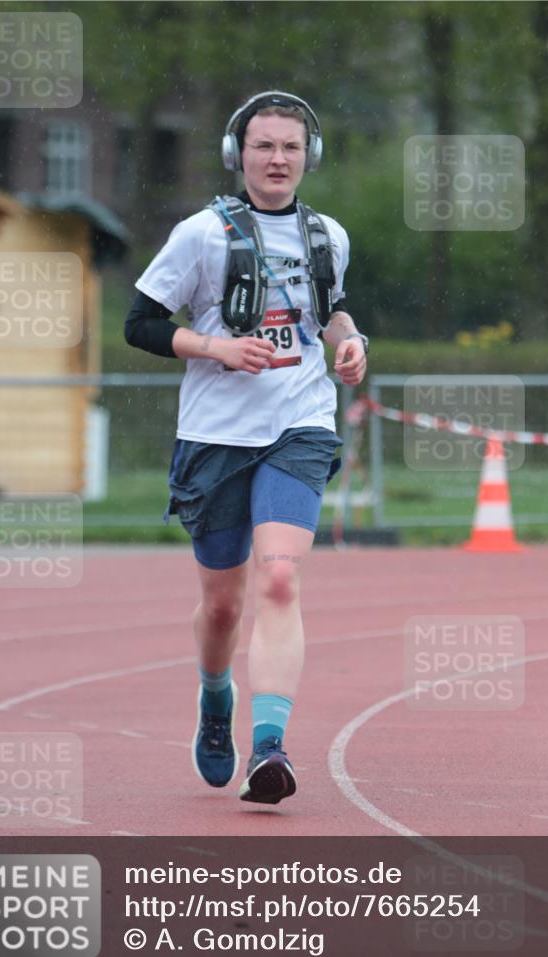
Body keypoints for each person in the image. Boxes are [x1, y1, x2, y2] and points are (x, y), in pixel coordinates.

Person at [125, 91, 368, 805]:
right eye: (263, 145)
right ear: (239, 155)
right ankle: (214, 694)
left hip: (300, 424)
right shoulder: (200, 234)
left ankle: (270, 747)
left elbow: (328, 313)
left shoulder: (328, 235)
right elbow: (139, 324)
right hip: (215, 436)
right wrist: (217, 347)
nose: (277, 158)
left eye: (290, 146)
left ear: (308, 157)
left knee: (281, 580)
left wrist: (349, 341)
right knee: (224, 606)